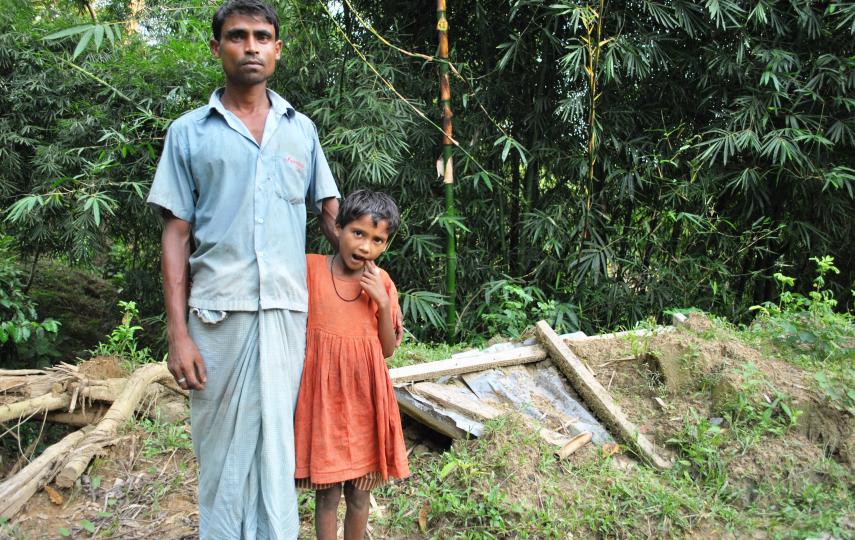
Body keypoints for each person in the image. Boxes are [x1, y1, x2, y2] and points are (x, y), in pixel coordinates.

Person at [146, 1, 341, 537]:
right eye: (237, 36)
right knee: (222, 457)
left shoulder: (301, 131)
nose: (250, 46)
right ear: (217, 48)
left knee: (278, 449)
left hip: (286, 314)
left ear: (277, 49)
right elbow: (176, 234)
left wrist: (374, 279)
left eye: (262, 37)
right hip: (216, 317)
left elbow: (333, 219)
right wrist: (177, 332)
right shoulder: (189, 133)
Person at [294, 190, 410, 540]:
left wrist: (383, 303)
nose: (365, 247)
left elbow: (387, 350)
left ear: (385, 245)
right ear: (338, 227)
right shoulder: (309, 267)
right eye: (358, 233)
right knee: (327, 493)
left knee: (360, 494)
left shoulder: (381, 282)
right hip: (324, 400)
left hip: (365, 399)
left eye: (377, 240)